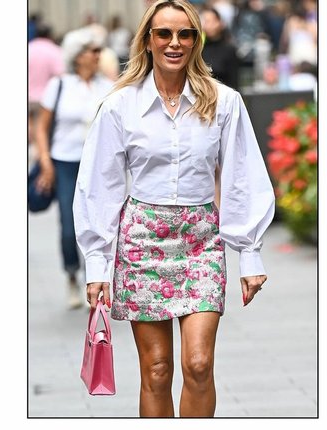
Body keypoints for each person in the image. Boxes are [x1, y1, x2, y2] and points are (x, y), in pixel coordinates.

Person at [73, 0, 275, 417]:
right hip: (141, 243)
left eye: (185, 34)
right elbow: (99, 186)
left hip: (201, 241)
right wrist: (97, 264)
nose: (174, 43)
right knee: (157, 370)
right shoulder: (120, 105)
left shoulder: (224, 101)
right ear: (148, 40)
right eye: (164, 33)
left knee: (198, 364)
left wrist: (249, 253)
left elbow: (243, 175)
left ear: (197, 41)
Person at [33, 27, 114, 310]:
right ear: (78, 56)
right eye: (93, 51)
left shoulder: (108, 86)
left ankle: (97, 278)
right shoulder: (59, 85)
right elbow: (41, 127)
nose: (98, 55)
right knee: (69, 226)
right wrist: (45, 161)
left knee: (102, 224)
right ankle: (71, 273)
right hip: (65, 162)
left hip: (99, 165)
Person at [28, 23, 64, 146]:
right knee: (41, 134)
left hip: (29, 97)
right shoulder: (55, 51)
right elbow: (61, 74)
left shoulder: (29, 48)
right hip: (45, 99)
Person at [201, 6, 239, 89]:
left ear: (220, 23)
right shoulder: (198, 49)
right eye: (205, 22)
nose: (207, 26)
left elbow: (234, 81)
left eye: (211, 21)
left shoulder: (229, 49)